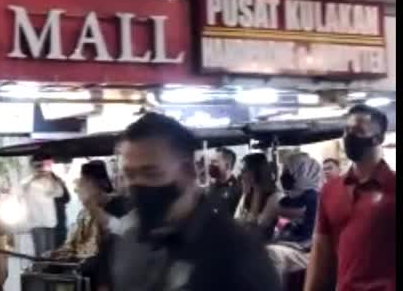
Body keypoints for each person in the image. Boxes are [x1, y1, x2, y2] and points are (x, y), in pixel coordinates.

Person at [110, 113, 281, 291]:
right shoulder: (129, 241)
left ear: (188, 170)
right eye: (130, 175)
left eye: (152, 173)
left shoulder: (236, 253)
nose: (138, 185)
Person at [305, 105, 396, 291]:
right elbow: (321, 250)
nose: (348, 136)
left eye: (358, 131)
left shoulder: (392, 188)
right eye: (346, 130)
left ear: (378, 138)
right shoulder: (331, 190)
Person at [46, 160, 131, 290]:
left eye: (84, 183)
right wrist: (59, 253)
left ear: (97, 184)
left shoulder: (118, 205)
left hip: (105, 274)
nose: (78, 189)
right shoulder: (84, 213)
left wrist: (90, 204)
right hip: (83, 268)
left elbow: (116, 232)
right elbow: (75, 243)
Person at [266, 152, 321, 281]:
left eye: (289, 170)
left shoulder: (312, 196)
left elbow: (283, 209)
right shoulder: (294, 195)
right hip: (293, 243)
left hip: (306, 248)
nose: (285, 175)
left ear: (302, 172)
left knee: (272, 254)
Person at [23, 153, 70, 256]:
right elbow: (22, 190)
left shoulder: (52, 180)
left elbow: (61, 194)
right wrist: (34, 177)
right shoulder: (28, 181)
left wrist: (51, 178)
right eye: (37, 166)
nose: (41, 168)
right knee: (41, 254)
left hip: (52, 222)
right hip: (37, 222)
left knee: (52, 254)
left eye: (43, 165)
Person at [234, 153, 281, 241]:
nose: (241, 175)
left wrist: (257, 192)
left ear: (256, 172)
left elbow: (255, 227)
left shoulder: (274, 197)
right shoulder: (248, 192)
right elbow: (237, 220)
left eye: (244, 171)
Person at [205, 147, 242, 217]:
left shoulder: (237, 189)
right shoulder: (211, 186)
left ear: (227, 166)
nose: (210, 165)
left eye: (214, 162)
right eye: (210, 162)